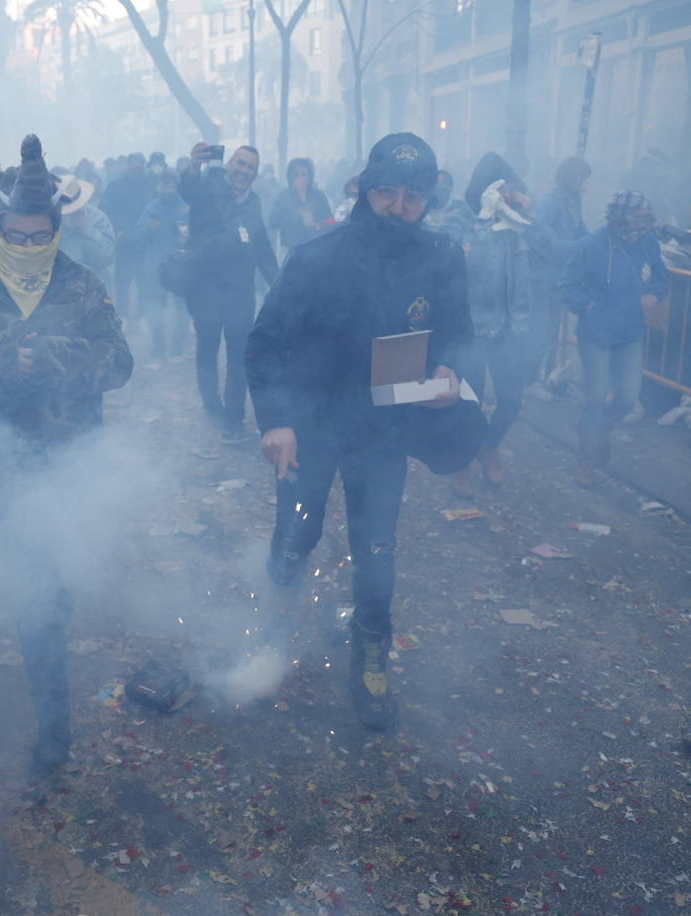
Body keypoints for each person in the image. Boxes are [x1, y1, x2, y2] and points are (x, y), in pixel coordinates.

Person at [246, 132, 472, 730]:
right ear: (363, 190)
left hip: (385, 427)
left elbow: (457, 329)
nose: (399, 207)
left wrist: (451, 367)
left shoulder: (442, 257)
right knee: (296, 535)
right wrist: (276, 420)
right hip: (312, 422)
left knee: (376, 548)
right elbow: (266, 341)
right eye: (387, 193)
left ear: (429, 200)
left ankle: (371, 657)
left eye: (414, 197)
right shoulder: (316, 256)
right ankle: (274, 636)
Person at [0, 135, 132, 775]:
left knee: (61, 584)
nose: (25, 247)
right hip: (8, 472)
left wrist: (57, 359)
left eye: (37, 236)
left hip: (74, 467)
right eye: (14, 236)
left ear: (55, 231)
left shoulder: (82, 285)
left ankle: (49, 649)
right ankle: (54, 724)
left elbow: (120, 362)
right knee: (37, 596)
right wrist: (3, 366)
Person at [559, 191, 668, 486]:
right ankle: (586, 460)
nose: (646, 225)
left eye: (649, 219)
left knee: (627, 398)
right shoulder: (591, 245)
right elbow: (567, 286)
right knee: (595, 398)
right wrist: (590, 307)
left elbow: (660, 275)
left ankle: (597, 432)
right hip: (596, 334)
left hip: (630, 332)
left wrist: (654, 295)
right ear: (622, 219)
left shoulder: (648, 242)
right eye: (640, 219)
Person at [455, 153, 548, 490]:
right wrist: (484, 219)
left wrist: (529, 217)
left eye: (512, 189)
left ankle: (489, 446)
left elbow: (547, 250)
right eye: (503, 188)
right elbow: (460, 260)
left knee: (512, 400)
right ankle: (462, 463)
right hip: (476, 327)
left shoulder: (518, 221)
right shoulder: (464, 217)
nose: (509, 195)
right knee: (469, 402)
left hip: (512, 327)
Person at [180, 143, 279, 442]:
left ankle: (233, 421)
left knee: (239, 357)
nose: (243, 170)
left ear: (255, 174)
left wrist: (279, 285)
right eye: (240, 163)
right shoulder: (208, 185)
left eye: (250, 167)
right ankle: (212, 408)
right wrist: (194, 165)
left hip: (240, 292)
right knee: (207, 351)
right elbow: (188, 190)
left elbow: (261, 246)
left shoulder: (254, 203)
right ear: (230, 163)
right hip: (205, 288)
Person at [531, 157, 591, 392]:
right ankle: (528, 381)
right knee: (539, 332)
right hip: (542, 278)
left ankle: (546, 378)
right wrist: (584, 247)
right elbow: (547, 243)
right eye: (585, 180)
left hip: (559, 279)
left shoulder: (572, 203)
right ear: (573, 180)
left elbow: (583, 232)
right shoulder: (550, 203)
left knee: (551, 332)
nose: (587, 186)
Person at [133, 170, 192, 362]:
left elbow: (194, 237)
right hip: (155, 266)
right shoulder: (151, 208)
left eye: (171, 184)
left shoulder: (185, 208)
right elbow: (137, 237)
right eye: (163, 184)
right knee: (154, 308)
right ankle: (158, 348)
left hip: (180, 266)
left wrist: (186, 239)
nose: (167, 188)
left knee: (182, 308)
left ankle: (176, 349)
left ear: (176, 185)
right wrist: (148, 229)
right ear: (158, 186)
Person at [102, 151, 155, 317]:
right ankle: (124, 318)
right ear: (129, 164)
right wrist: (116, 229)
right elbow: (105, 209)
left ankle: (142, 317)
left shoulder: (151, 185)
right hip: (124, 242)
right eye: (134, 162)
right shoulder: (116, 185)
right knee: (123, 282)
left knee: (145, 282)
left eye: (140, 162)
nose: (137, 165)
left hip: (146, 242)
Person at [55, 171, 116, 277]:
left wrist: (87, 229)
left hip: (95, 283)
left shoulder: (98, 218)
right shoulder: (52, 220)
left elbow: (107, 257)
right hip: (61, 283)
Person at [269, 157, 332, 253]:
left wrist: (317, 225)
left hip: (315, 247)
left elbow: (330, 221)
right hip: (289, 249)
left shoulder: (319, 196)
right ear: (291, 177)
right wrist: (298, 218)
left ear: (310, 176)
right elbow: (273, 222)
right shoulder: (283, 197)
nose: (300, 178)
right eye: (296, 175)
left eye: (304, 174)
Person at [424, 169, 475, 248]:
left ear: (450, 190)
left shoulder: (460, 213)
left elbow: (467, 242)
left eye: (442, 189)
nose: (438, 193)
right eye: (436, 188)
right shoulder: (421, 211)